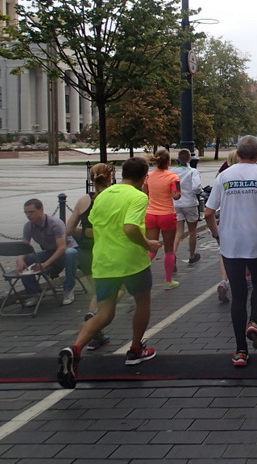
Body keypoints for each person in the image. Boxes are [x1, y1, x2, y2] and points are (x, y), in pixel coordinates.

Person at [57, 157, 160, 389]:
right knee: (143, 303)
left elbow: (93, 225)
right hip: (132, 261)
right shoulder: (138, 196)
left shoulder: (101, 196)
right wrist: (148, 244)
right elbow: (130, 228)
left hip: (103, 262)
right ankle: (135, 349)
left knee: (104, 313)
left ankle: (75, 348)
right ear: (144, 177)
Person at [204, 135, 257, 367]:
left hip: (231, 243)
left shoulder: (224, 177)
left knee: (238, 295)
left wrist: (216, 234)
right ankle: (255, 321)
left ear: (237, 154)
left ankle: (240, 351)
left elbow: (209, 213)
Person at [65, 163, 115, 350]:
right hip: (106, 252)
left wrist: (86, 231)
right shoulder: (112, 198)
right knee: (109, 293)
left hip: (86, 253)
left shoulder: (83, 200)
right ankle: (93, 317)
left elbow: (68, 230)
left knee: (96, 291)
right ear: (110, 177)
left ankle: (97, 335)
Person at [15, 199, 79, 307]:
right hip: (49, 251)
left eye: (31, 212)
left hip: (66, 250)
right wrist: (20, 259)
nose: (28, 215)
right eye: (26, 212)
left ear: (41, 210)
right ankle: (34, 292)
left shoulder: (55, 224)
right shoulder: (28, 226)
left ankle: (68, 289)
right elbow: (24, 246)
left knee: (70, 254)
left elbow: (62, 248)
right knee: (25, 259)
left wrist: (45, 264)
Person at [143, 148, 181, 289]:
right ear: (169, 161)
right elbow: (176, 195)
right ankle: (168, 280)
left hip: (151, 215)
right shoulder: (173, 177)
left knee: (151, 248)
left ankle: (139, 272)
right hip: (167, 215)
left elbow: (144, 193)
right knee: (169, 249)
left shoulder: (148, 176)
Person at [217, 150, 240, 303]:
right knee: (244, 250)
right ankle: (245, 277)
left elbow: (210, 207)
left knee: (225, 253)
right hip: (245, 220)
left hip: (226, 220)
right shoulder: (249, 174)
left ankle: (224, 281)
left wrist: (214, 232)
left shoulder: (222, 175)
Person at [172, 150, 203, 266]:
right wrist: (198, 191)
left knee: (178, 231)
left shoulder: (172, 172)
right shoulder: (193, 171)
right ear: (190, 159)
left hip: (176, 203)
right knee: (192, 231)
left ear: (178, 159)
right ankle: (192, 256)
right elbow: (196, 187)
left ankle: (173, 255)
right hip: (189, 202)